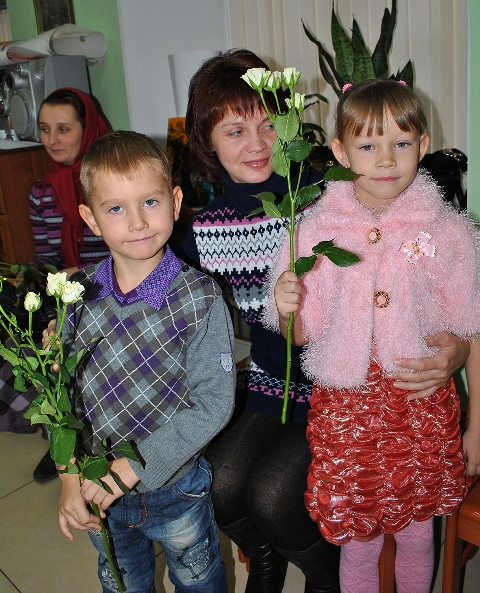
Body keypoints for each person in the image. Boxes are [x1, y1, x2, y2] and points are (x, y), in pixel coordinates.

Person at [181, 50, 470, 593]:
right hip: (277, 384)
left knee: (274, 495)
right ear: (207, 141)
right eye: (235, 131)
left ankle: (321, 577)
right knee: (221, 485)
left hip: (344, 391)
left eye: (270, 125)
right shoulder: (206, 228)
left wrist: (458, 347)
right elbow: (156, 278)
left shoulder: (325, 188)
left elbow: (446, 291)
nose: (257, 144)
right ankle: (267, 564)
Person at [268, 78, 480, 593]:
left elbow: (472, 328)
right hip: (347, 413)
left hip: (421, 408)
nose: (386, 160)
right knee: (358, 539)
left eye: (401, 143)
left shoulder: (450, 231)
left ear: (423, 145)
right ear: (341, 152)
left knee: (417, 534)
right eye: (368, 146)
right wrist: (286, 307)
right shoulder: (311, 232)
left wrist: (477, 427)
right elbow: (300, 337)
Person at [57, 130, 235, 592]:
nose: (137, 222)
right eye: (116, 208)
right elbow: (61, 401)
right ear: (91, 219)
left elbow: (213, 403)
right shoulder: (77, 298)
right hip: (100, 490)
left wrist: (134, 467)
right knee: (122, 583)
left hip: (175, 490)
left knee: (198, 581)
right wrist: (70, 478)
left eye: (150, 202)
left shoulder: (200, 299)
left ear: (175, 203)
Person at [0, 88, 110, 482]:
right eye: (45, 129)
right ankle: (60, 436)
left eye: (64, 129)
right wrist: (26, 276)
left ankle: (83, 437)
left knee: (61, 343)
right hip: (66, 291)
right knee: (21, 341)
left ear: (87, 129)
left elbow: (130, 251)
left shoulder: (107, 182)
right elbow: (47, 255)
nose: (52, 139)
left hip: (110, 287)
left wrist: (78, 273)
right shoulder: (42, 191)